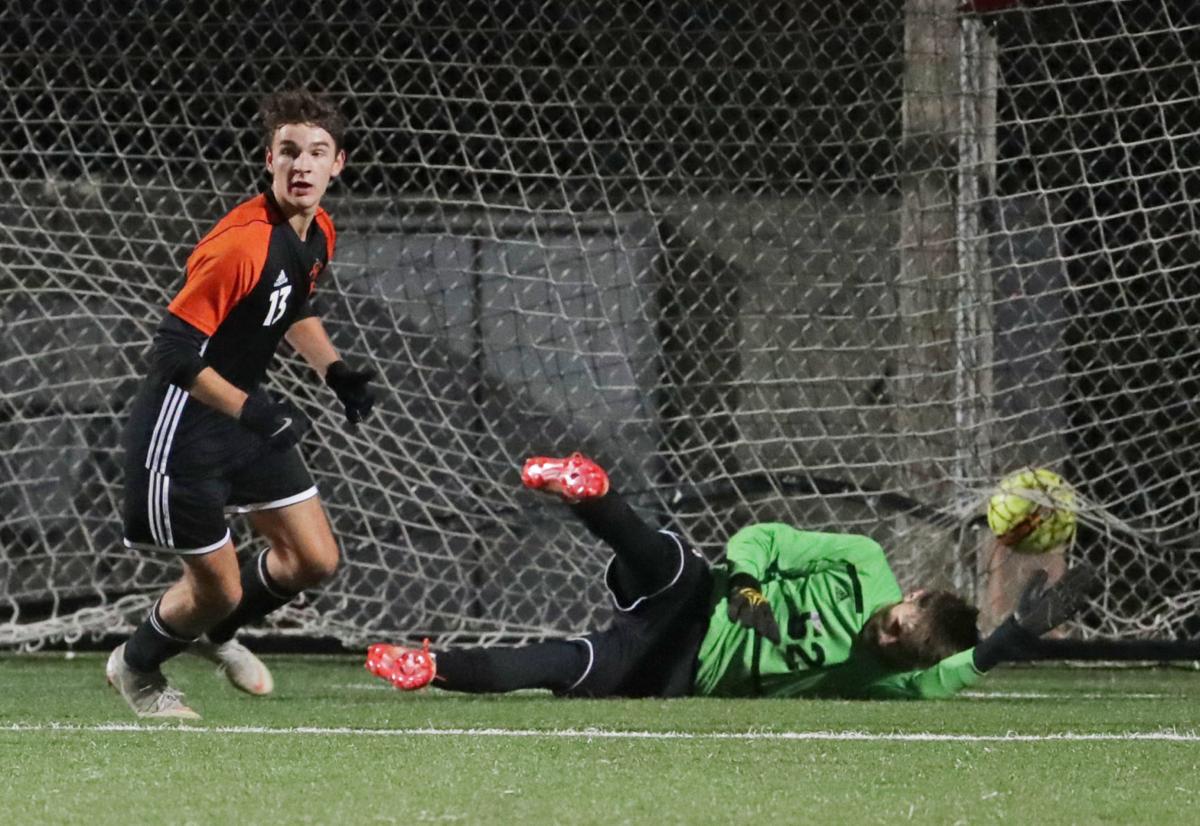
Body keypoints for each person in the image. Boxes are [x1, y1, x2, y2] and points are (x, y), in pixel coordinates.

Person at [366, 454, 1096, 699]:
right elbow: (764, 536)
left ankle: (431, 664)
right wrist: (746, 583)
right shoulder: (864, 562)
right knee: (664, 562)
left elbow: (954, 672)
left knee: (561, 667)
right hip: (707, 599)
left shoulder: (890, 677)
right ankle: (589, 491)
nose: (888, 637)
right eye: (896, 625)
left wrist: (1015, 636)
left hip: (679, 673)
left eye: (899, 647)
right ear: (913, 596)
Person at [106, 89, 376, 719]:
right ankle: (137, 667)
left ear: (337, 164)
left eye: (316, 153)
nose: (301, 166)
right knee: (218, 588)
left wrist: (335, 372)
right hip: (183, 431)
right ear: (269, 160)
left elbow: (291, 307)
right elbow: (172, 352)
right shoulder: (240, 245)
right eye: (289, 152)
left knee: (313, 558)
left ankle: (212, 634)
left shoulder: (318, 230)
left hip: (239, 417)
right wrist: (253, 411)